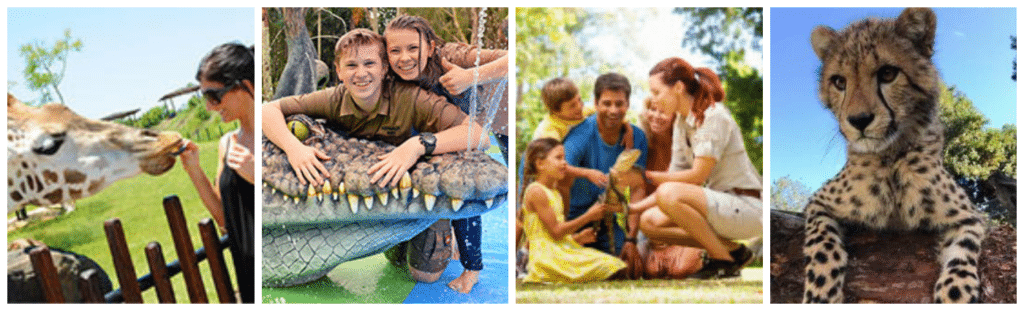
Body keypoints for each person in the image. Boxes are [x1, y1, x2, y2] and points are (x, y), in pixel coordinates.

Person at [262, 28, 487, 290]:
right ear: (339, 71)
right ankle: (398, 238)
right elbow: (268, 108)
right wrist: (294, 147)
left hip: (416, 180)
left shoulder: (411, 97)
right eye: (351, 65)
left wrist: (417, 145)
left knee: (425, 274)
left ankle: (436, 232)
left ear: (383, 69)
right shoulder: (334, 98)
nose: (361, 73)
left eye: (370, 63)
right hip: (370, 182)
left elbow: (479, 135)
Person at [384, 15, 507, 293]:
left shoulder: (451, 55)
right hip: (432, 150)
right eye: (395, 50)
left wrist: (469, 76)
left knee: (464, 186)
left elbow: (517, 57)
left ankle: (471, 268)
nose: (404, 58)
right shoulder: (390, 72)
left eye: (413, 48)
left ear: (430, 46)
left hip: (473, 141)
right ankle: (441, 230)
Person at [629, 57, 762, 277]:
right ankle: (734, 253)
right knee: (649, 221)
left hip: (747, 207)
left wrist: (647, 175)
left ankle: (722, 261)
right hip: (718, 206)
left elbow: (698, 175)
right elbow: (674, 179)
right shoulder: (682, 123)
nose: (654, 99)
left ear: (678, 88)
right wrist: (633, 208)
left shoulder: (714, 115)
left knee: (668, 192)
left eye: (656, 92)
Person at [179, 42, 256, 303]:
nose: (210, 106)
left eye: (214, 95)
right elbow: (225, 217)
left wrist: (259, 174)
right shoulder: (227, 144)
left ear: (245, 85)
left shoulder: (278, 134)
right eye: (205, 98)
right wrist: (194, 169)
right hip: (246, 279)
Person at [561, 73, 647, 278]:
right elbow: (560, 172)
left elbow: (638, 188)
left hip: (605, 222)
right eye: (607, 103)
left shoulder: (636, 137)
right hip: (572, 219)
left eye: (620, 104)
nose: (614, 110)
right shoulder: (582, 132)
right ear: (596, 103)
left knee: (623, 271)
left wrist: (631, 239)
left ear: (628, 104)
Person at [520, 137, 626, 283]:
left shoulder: (555, 192)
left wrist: (579, 238)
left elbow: (552, 237)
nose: (564, 163)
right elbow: (556, 232)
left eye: (564, 158)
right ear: (540, 164)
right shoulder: (536, 192)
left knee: (616, 264)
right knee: (611, 266)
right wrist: (588, 216)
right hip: (546, 258)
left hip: (559, 251)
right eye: (558, 158)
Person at [636, 97, 705, 279]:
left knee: (680, 270)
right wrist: (632, 238)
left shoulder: (692, 149)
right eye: (652, 109)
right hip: (651, 226)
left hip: (685, 223)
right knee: (646, 270)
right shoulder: (641, 148)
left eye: (664, 111)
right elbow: (638, 195)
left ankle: (713, 255)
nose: (657, 116)